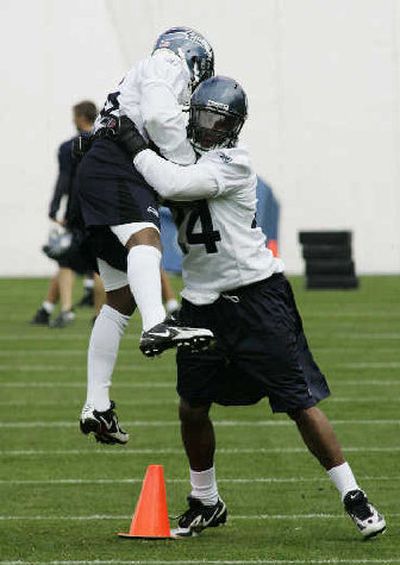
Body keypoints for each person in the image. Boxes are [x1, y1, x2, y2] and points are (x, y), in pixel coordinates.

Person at [116, 76, 386, 540]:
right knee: (191, 406)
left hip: (256, 296)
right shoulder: (179, 153)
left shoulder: (234, 162)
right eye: (203, 115)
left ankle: (353, 495)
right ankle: (205, 499)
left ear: (235, 126)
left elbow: (173, 184)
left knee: (299, 402)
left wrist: (132, 141)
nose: (210, 126)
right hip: (202, 302)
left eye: (220, 120)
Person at [77, 27, 215, 444]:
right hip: (117, 164)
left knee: (119, 298)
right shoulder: (165, 64)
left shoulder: (143, 72)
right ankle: (157, 323)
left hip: (100, 167)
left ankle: (96, 404)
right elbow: (157, 118)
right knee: (146, 240)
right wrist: (188, 162)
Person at [30, 100, 103, 328]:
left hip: (77, 210)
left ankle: (66, 310)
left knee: (65, 260)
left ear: (81, 117)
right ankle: (100, 314)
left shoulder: (68, 147)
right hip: (102, 210)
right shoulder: (105, 143)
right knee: (102, 261)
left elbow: (64, 180)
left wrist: (53, 208)